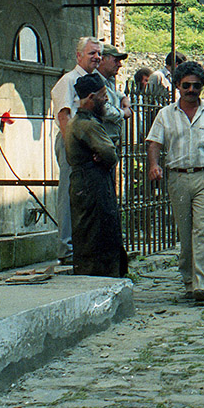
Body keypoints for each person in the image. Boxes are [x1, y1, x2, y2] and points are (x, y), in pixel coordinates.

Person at [147, 61, 204, 301]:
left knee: (202, 231)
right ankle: (188, 278)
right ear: (177, 85)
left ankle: (202, 284)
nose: (191, 90)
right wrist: (154, 165)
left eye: (196, 86)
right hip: (178, 178)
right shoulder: (165, 114)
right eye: (186, 85)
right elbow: (154, 142)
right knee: (185, 234)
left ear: (202, 87)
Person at [65, 72, 128, 278]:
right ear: (91, 98)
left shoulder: (79, 122)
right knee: (97, 234)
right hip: (93, 185)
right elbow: (109, 154)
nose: (106, 99)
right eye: (102, 95)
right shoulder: (88, 125)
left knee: (91, 233)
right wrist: (105, 154)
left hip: (86, 183)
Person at [50, 37, 103, 262]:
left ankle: (83, 246)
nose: (97, 57)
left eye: (99, 54)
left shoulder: (96, 80)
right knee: (69, 193)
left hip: (87, 141)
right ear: (79, 56)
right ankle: (67, 248)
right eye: (92, 53)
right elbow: (64, 116)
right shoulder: (69, 80)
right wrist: (72, 148)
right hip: (72, 142)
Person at [97, 44, 132, 152]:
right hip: (99, 144)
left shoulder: (109, 80)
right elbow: (103, 109)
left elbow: (114, 93)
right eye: (115, 60)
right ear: (102, 59)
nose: (119, 65)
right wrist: (123, 113)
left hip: (109, 143)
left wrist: (123, 98)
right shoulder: (94, 81)